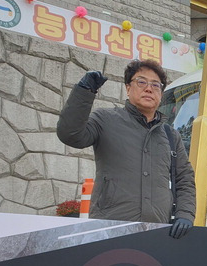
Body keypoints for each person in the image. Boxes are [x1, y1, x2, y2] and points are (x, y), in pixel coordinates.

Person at [57, 59, 195, 238]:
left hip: (157, 230)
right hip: (109, 229)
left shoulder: (170, 134)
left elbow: (184, 179)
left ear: (161, 94)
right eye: (141, 82)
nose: (149, 88)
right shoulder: (105, 120)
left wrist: (185, 214)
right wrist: (84, 92)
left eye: (156, 85)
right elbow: (70, 134)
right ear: (128, 88)